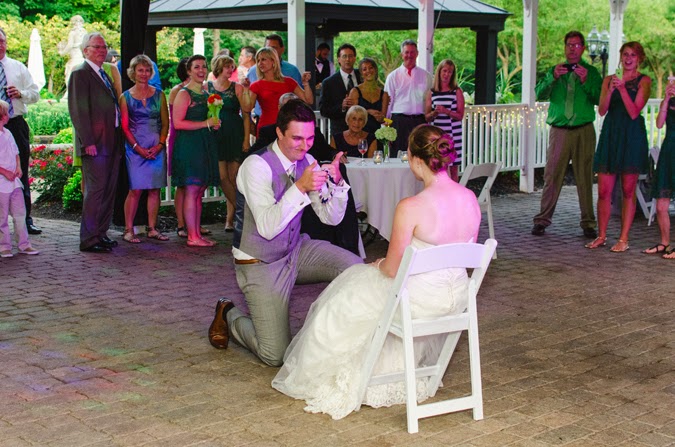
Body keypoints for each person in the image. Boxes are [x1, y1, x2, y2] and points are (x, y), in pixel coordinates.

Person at [272, 124, 481, 419]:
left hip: (418, 302)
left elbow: (393, 268)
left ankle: (335, 372)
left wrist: (378, 264)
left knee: (345, 294)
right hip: (456, 299)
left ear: (416, 160)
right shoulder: (470, 198)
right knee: (361, 286)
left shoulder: (411, 206)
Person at [207, 99, 363, 367]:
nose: (305, 146)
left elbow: (331, 218)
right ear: (279, 132)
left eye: (310, 138)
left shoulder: (309, 161)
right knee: (274, 355)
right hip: (260, 261)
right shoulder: (256, 166)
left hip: (295, 250)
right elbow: (267, 228)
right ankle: (228, 313)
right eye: (297, 138)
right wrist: (300, 187)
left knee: (356, 268)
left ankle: (338, 338)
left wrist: (337, 184)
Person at [531, 31, 602, 238]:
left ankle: (588, 223)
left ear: (583, 48)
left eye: (577, 45)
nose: (572, 49)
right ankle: (542, 220)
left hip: (583, 129)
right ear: (565, 48)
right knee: (552, 174)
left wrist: (586, 80)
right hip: (560, 129)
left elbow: (599, 98)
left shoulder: (591, 72)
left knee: (585, 176)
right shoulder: (555, 70)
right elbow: (539, 93)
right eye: (569, 45)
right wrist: (552, 77)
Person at [586, 42, 651, 252]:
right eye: (625, 54)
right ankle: (602, 235)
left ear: (639, 59)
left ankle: (624, 239)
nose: (628, 58)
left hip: (631, 136)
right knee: (603, 190)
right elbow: (602, 110)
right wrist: (611, 90)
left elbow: (634, 112)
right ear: (621, 56)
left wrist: (622, 89)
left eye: (633, 55)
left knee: (628, 190)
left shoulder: (644, 81)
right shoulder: (609, 80)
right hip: (611, 134)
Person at [68, 32, 123, 253]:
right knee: (96, 191)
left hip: (112, 141)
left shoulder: (104, 73)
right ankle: (89, 239)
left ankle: (101, 233)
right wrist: (87, 141)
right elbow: (78, 111)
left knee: (108, 190)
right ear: (86, 50)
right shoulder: (80, 73)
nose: (102, 50)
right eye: (97, 47)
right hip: (96, 144)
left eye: (104, 47)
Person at [171, 54, 221, 247]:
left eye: (203, 66)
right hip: (189, 146)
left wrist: (214, 124)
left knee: (199, 190)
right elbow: (178, 123)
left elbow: (207, 120)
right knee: (192, 189)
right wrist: (205, 123)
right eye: (196, 67)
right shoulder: (184, 94)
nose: (201, 70)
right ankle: (192, 236)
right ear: (189, 71)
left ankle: (196, 233)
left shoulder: (207, 95)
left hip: (203, 144)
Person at [119, 55, 169, 243]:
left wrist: (160, 144)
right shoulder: (125, 97)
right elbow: (124, 127)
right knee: (135, 190)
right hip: (135, 148)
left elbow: (165, 123)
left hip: (156, 147)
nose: (144, 74)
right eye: (140, 70)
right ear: (133, 72)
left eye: (147, 70)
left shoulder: (160, 95)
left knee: (155, 189)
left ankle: (152, 228)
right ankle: (128, 229)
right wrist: (137, 148)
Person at [0, 27, 42, 235]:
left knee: (21, 170)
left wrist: (21, 93)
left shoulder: (17, 67)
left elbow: (35, 94)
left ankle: (25, 220)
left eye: (2, 41)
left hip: (15, 124)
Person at [207, 54, 251, 232]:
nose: (230, 69)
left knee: (234, 178)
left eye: (232, 66)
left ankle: (231, 219)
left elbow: (246, 114)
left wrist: (246, 139)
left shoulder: (237, 87)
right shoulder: (208, 87)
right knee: (222, 177)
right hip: (216, 134)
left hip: (234, 133)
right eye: (227, 66)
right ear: (219, 67)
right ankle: (245, 211)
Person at [0, 99, 39, 257]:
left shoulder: (8, 133)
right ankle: (4, 246)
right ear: (2, 116)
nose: (9, 116)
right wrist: (4, 172)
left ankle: (24, 244)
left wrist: (18, 167)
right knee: (2, 216)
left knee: (20, 213)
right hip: (2, 183)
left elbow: (16, 152)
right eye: (6, 113)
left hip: (14, 182)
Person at [247, 47, 312, 135]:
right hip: (266, 126)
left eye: (263, 59)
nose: (260, 63)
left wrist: (305, 83)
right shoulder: (256, 85)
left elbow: (308, 101)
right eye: (258, 60)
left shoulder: (289, 82)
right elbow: (247, 108)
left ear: (273, 61)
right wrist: (245, 89)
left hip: (287, 126)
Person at [643, 81, 675, 259]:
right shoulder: (670, 102)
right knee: (661, 204)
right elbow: (659, 124)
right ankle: (665, 242)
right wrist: (666, 99)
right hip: (668, 153)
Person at [384, 39, 432, 157]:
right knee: (397, 156)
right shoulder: (393, 76)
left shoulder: (426, 76)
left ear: (417, 54)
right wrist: (386, 129)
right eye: (406, 52)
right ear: (402, 54)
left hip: (419, 121)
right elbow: (388, 104)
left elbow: (430, 101)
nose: (409, 55)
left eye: (412, 52)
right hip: (399, 122)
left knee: (420, 156)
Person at [424, 59, 465, 181]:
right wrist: (435, 113)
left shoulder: (456, 91)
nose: (447, 74)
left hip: (453, 134)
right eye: (445, 71)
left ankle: (454, 192)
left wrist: (446, 111)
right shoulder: (432, 92)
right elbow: (427, 117)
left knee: (453, 169)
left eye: (450, 72)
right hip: (437, 136)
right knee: (438, 168)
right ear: (439, 72)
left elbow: (460, 115)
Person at [246, 34, 303, 121]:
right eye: (267, 47)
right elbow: (247, 106)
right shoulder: (253, 71)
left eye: (273, 48)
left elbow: (302, 100)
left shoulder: (292, 71)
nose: (270, 50)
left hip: (287, 120)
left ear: (282, 49)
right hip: (262, 120)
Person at [319, 43, 361, 137]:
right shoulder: (328, 82)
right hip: (339, 132)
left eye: (350, 56)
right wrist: (341, 107)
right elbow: (323, 110)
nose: (347, 59)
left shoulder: (362, 76)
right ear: (338, 59)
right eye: (344, 56)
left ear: (355, 58)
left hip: (363, 131)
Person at [347, 57, 389, 135]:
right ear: (361, 73)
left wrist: (381, 118)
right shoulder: (355, 91)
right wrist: (368, 111)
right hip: (358, 134)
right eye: (364, 69)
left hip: (377, 135)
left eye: (371, 68)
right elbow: (351, 116)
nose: (368, 71)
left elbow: (383, 118)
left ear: (375, 70)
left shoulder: (384, 94)